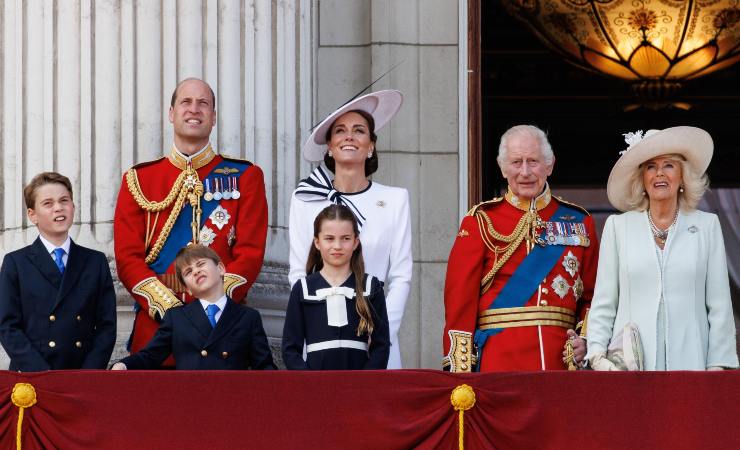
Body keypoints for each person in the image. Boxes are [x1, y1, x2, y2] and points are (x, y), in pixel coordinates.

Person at [114, 78, 268, 365]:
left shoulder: (246, 176)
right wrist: (171, 310)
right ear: (171, 113)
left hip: (222, 330)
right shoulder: (139, 179)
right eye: (186, 102)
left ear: (213, 117)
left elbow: (250, 253)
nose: (194, 109)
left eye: (203, 103)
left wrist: (212, 304)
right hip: (157, 327)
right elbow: (127, 258)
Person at [443, 125, 599, 372]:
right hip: (498, 359)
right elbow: (460, 301)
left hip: (560, 360)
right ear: (502, 167)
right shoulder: (481, 220)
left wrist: (587, 340)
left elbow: (593, 296)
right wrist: (461, 371)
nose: (525, 172)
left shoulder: (579, 221)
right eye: (516, 162)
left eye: (533, 161)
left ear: (550, 165)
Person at [586, 126, 738, 371]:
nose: (659, 174)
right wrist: (597, 355)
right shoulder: (618, 227)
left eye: (669, 165)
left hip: (692, 366)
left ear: (682, 177)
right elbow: (605, 301)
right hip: (630, 370)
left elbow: (719, 306)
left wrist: (717, 367)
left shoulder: (706, 226)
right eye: (650, 166)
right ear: (642, 179)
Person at [288, 90, 411, 369]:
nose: (349, 137)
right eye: (340, 131)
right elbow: (298, 272)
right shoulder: (306, 198)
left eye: (359, 131)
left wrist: (381, 333)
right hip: (320, 338)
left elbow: (401, 275)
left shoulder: (395, 199)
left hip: (376, 341)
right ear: (329, 146)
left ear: (371, 146)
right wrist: (315, 325)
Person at [0, 172, 117, 371]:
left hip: (82, 376)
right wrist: (42, 374)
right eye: (48, 203)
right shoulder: (16, 263)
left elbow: (106, 326)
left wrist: (88, 373)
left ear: (73, 207)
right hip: (33, 377)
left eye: (64, 200)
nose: (58, 208)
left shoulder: (95, 262)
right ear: (32, 215)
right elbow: (7, 326)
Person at [111, 245, 275, 370]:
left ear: (221, 269)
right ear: (187, 288)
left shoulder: (248, 317)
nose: (196, 271)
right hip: (190, 400)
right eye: (188, 272)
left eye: (201, 264)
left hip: (234, 401)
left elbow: (264, 366)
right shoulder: (177, 318)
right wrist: (124, 365)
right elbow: (150, 355)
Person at [283, 204, 390, 370]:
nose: (338, 246)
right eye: (329, 238)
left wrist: (366, 383)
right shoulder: (303, 289)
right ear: (317, 242)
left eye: (345, 238)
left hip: (360, 388)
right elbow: (290, 349)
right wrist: (308, 382)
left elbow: (381, 346)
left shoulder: (370, 287)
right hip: (316, 387)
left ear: (355, 242)